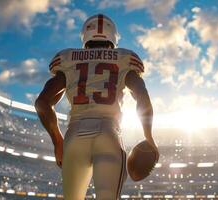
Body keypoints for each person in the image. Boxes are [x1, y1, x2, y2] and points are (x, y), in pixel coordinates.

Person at [35, 14, 158, 200]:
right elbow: (142, 97)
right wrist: (149, 139)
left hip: (74, 136)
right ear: (114, 37)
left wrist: (58, 142)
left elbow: (42, 104)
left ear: (84, 36)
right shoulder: (124, 58)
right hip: (109, 133)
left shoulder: (68, 59)